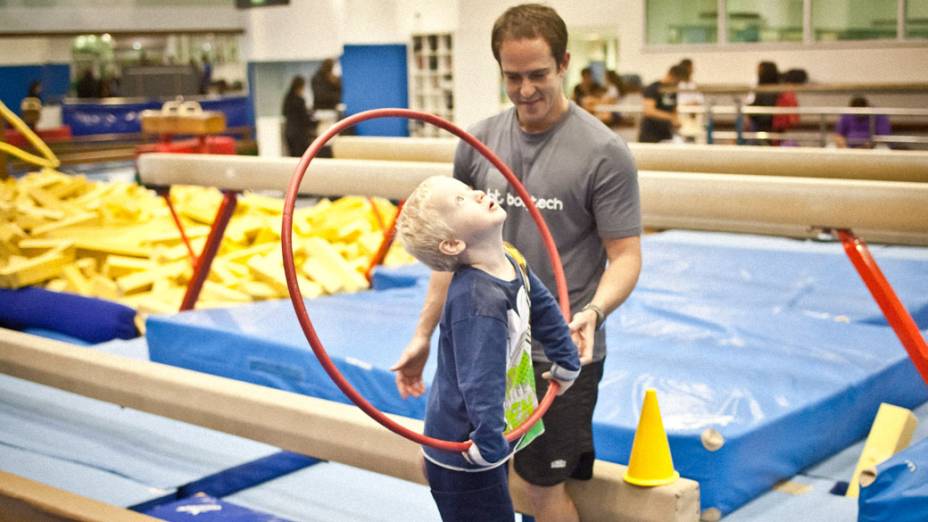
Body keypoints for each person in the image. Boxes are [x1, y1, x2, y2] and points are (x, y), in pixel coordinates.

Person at [391, 4, 642, 521]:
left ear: (564, 63)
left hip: (559, 347)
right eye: (513, 77)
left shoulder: (603, 152)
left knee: (537, 489)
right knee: (466, 472)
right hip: (485, 348)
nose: (526, 90)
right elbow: (448, 253)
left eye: (538, 75)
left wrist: (593, 312)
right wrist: (423, 333)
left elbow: (626, 255)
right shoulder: (478, 141)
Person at [396, 175, 581, 522]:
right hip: (466, 449)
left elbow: (542, 306)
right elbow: (481, 379)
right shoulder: (477, 299)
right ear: (452, 244)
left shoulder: (510, 259)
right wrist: (489, 439)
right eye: (461, 201)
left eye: (468, 191)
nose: (478, 194)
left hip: (488, 435)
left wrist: (565, 357)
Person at [638, 64, 686, 143]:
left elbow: (673, 109)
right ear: (672, 76)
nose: (678, 83)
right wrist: (671, 117)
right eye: (678, 81)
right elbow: (649, 111)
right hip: (650, 134)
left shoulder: (672, 90)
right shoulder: (653, 88)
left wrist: (676, 121)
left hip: (666, 134)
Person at [281, 75, 314, 157]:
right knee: (301, 158)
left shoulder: (287, 97)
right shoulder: (300, 100)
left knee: (292, 157)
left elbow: (284, 112)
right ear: (301, 86)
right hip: (299, 135)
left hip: (288, 133)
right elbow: (305, 118)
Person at [747, 61, 781, 141]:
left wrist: (750, 112)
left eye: (759, 70)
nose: (757, 73)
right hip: (761, 124)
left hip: (764, 126)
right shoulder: (764, 88)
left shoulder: (768, 91)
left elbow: (765, 116)